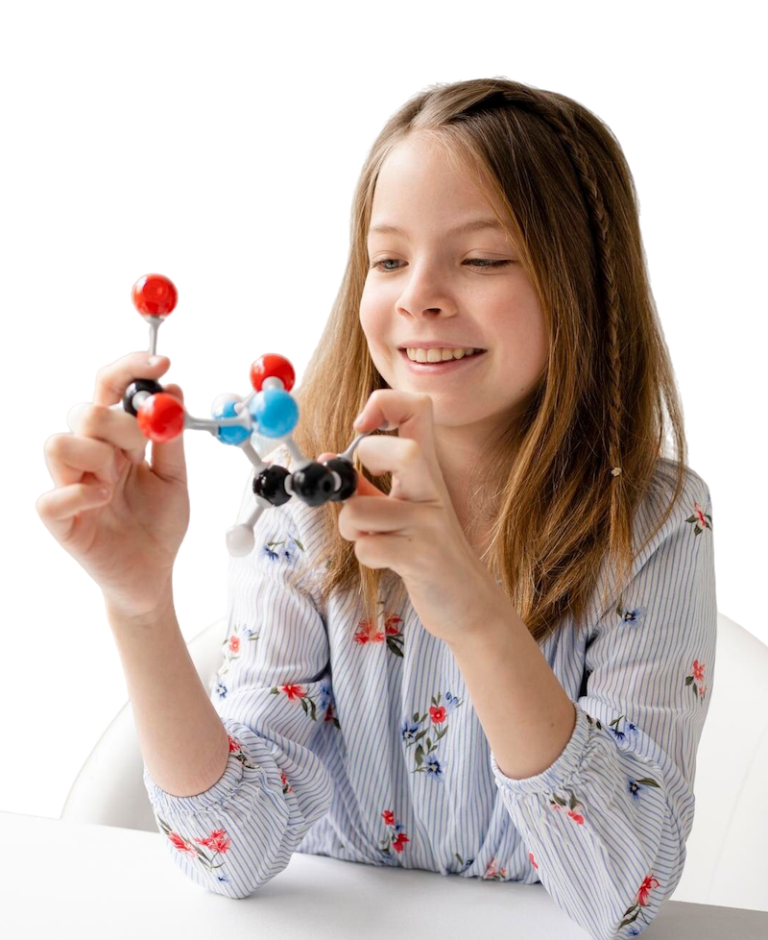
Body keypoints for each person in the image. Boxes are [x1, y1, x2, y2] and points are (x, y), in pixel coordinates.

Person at [34, 77, 717, 939]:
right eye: (388, 259)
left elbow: (623, 889)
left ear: (582, 284)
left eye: (482, 258)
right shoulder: (300, 505)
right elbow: (231, 853)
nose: (419, 296)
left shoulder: (655, 522)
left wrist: (472, 608)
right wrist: (137, 602)